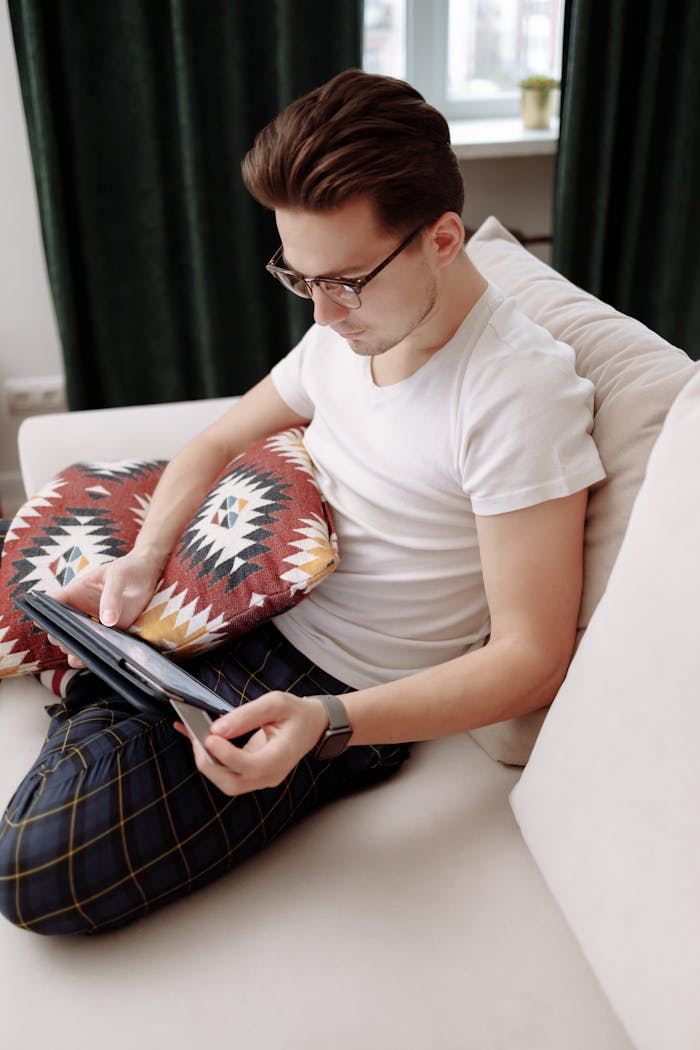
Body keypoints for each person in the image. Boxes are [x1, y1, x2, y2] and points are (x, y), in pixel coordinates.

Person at [0, 70, 605, 935]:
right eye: (300, 277)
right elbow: (214, 443)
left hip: (325, 688)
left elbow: (532, 657)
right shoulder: (348, 332)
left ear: (442, 238)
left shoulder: (517, 395)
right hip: (228, 589)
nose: (321, 315)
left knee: (36, 870)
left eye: (345, 282)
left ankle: (103, 692)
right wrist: (144, 559)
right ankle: (115, 681)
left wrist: (329, 723)